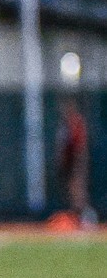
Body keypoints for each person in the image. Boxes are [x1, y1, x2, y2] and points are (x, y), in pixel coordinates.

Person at [53, 97, 97, 229]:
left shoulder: (76, 122)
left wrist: (79, 166)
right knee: (73, 193)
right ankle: (78, 219)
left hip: (76, 164)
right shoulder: (65, 124)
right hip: (69, 165)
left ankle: (87, 219)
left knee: (78, 193)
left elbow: (80, 146)